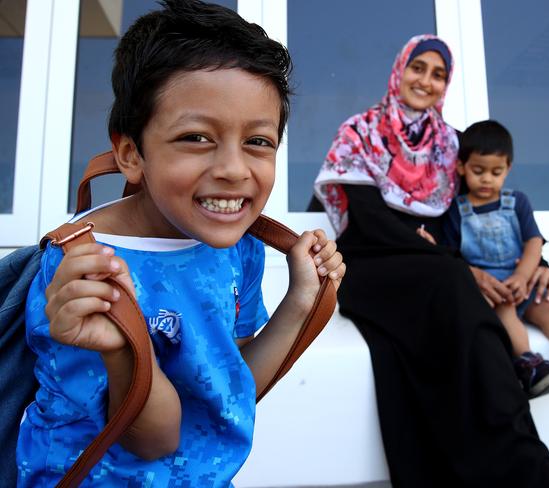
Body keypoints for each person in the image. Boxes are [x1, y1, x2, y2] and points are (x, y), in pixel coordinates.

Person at [16, 1, 345, 486]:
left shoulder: (239, 247)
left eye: (258, 141)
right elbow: (154, 439)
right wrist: (126, 352)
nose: (234, 169)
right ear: (131, 153)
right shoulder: (82, 268)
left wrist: (301, 302)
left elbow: (223, 392)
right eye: (196, 137)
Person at [314, 34, 549, 487]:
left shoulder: (451, 145)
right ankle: (520, 467)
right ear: (399, 69)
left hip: (438, 271)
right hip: (372, 265)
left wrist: (539, 260)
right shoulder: (359, 132)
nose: (425, 81)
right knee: (453, 289)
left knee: (467, 331)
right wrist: (451, 260)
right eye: (418, 67)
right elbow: (368, 220)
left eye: (439, 74)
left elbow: (488, 205)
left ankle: (516, 460)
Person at [442, 120, 549, 399]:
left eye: (496, 172)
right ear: (461, 167)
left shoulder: (517, 202)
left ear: (508, 169)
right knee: (505, 312)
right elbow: (454, 256)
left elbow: (533, 241)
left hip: (522, 276)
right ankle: (531, 365)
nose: (487, 179)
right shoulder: (456, 211)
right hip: (491, 287)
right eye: (478, 171)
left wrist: (522, 276)